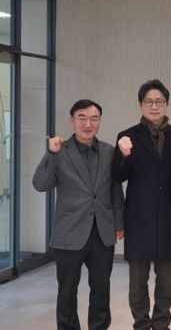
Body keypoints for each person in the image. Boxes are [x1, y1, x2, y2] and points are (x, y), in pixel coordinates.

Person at [32, 99, 124, 330]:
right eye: (81, 118)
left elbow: (115, 190)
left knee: (101, 290)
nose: (88, 124)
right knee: (67, 291)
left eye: (94, 118)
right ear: (71, 121)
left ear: (100, 122)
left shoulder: (109, 151)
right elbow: (40, 184)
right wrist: (51, 153)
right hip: (69, 233)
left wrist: (119, 223)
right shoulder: (60, 150)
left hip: (102, 232)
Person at [112, 79, 171, 330]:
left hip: (168, 218)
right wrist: (122, 155)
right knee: (138, 282)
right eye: (148, 102)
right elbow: (118, 176)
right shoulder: (127, 137)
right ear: (140, 105)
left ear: (167, 104)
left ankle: (162, 323)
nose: (154, 106)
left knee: (166, 281)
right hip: (138, 219)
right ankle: (141, 324)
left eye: (159, 101)